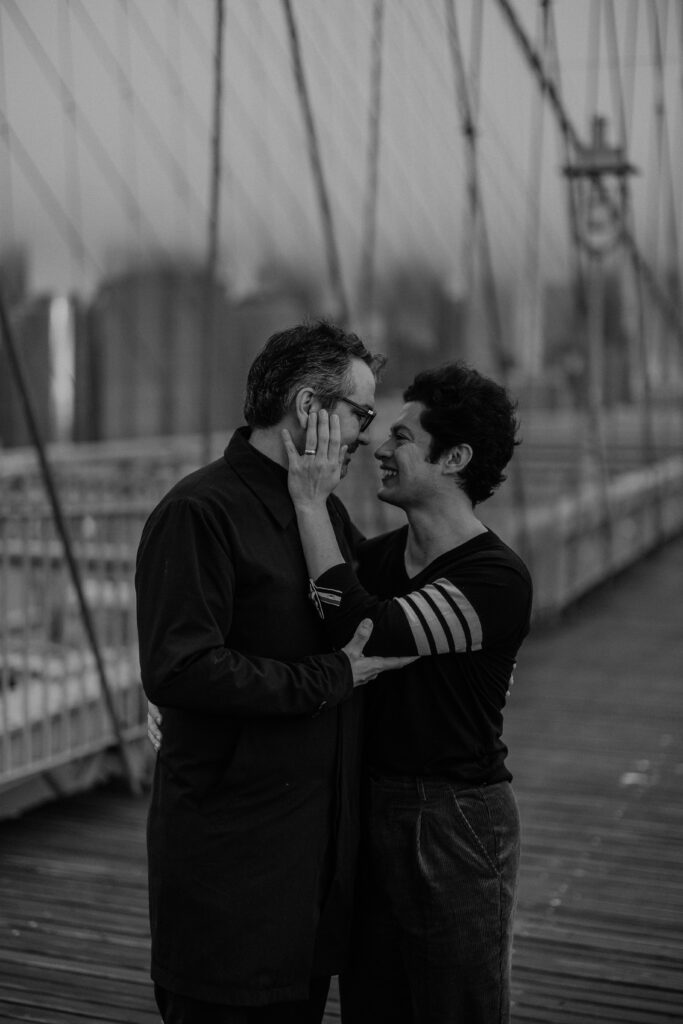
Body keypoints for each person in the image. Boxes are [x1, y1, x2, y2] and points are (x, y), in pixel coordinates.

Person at [134, 320, 414, 1024]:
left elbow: (369, 613)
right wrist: (331, 677)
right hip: (233, 880)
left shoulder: (317, 513)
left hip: (307, 879)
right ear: (307, 408)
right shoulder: (199, 512)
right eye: (361, 414)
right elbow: (180, 667)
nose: (366, 436)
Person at [283, 362, 533, 1024]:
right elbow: (330, 592)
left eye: (401, 437)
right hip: (370, 808)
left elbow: (369, 629)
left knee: (454, 1010)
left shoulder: (495, 580)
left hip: (454, 820)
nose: (377, 447)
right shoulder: (380, 560)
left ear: (454, 457)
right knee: (374, 1007)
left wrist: (310, 503)